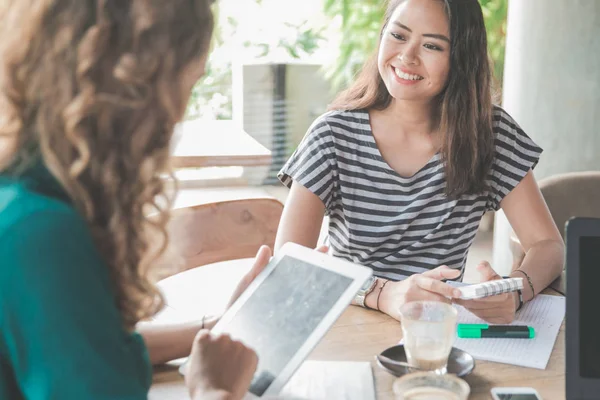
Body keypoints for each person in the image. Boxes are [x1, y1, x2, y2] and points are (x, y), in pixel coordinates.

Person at [0, 1, 263, 399]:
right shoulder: (44, 233)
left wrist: (214, 326)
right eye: (187, 86)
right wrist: (216, 390)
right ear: (135, 95)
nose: (178, 118)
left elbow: (86, 343)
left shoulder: (24, 192)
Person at [275, 0, 564, 324]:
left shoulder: (490, 135)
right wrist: (381, 294)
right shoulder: (333, 134)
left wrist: (516, 290)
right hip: (347, 321)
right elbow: (289, 264)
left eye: (431, 45)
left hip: (438, 333)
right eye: (398, 35)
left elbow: (548, 245)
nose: (407, 56)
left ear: (461, 59)